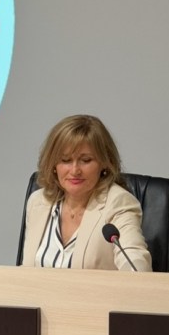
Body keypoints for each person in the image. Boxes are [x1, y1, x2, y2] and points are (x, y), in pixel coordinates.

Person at [21, 114, 151, 271]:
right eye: (66, 160)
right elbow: (27, 270)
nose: (75, 170)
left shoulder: (119, 203)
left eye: (86, 160)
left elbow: (134, 258)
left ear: (105, 163)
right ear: (53, 165)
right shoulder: (38, 202)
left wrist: (136, 271)